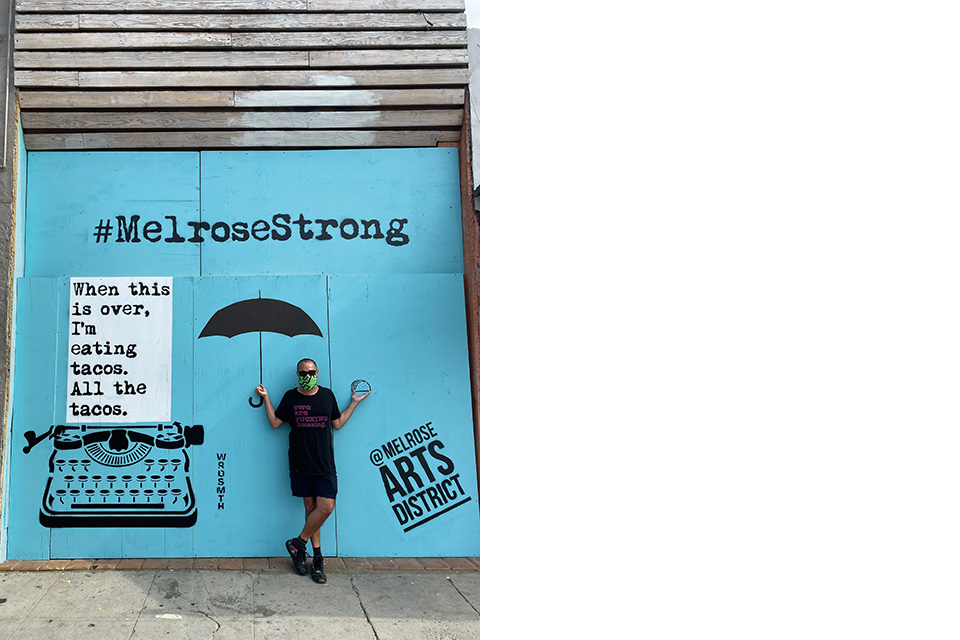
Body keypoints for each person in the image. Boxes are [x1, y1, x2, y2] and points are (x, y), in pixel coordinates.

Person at [255, 358, 369, 583]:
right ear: (297, 375)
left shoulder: (327, 396)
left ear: (317, 373)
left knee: (326, 507)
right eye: (303, 373)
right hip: (300, 462)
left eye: (311, 372)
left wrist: (354, 403)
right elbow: (276, 422)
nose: (307, 376)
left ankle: (297, 544)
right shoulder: (290, 397)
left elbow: (337, 423)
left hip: (324, 463)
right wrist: (266, 398)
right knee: (310, 508)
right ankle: (316, 559)